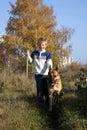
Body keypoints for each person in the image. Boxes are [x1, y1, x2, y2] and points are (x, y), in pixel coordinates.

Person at [26, 37, 53, 105]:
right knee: (39, 88)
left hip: (45, 74)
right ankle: (40, 103)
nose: (41, 46)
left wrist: (50, 67)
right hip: (37, 74)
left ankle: (47, 102)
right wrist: (28, 55)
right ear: (38, 45)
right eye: (40, 45)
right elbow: (30, 61)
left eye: (43, 45)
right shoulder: (34, 53)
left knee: (46, 89)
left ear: (45, 45)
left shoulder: (47, 54)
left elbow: (49, 63)